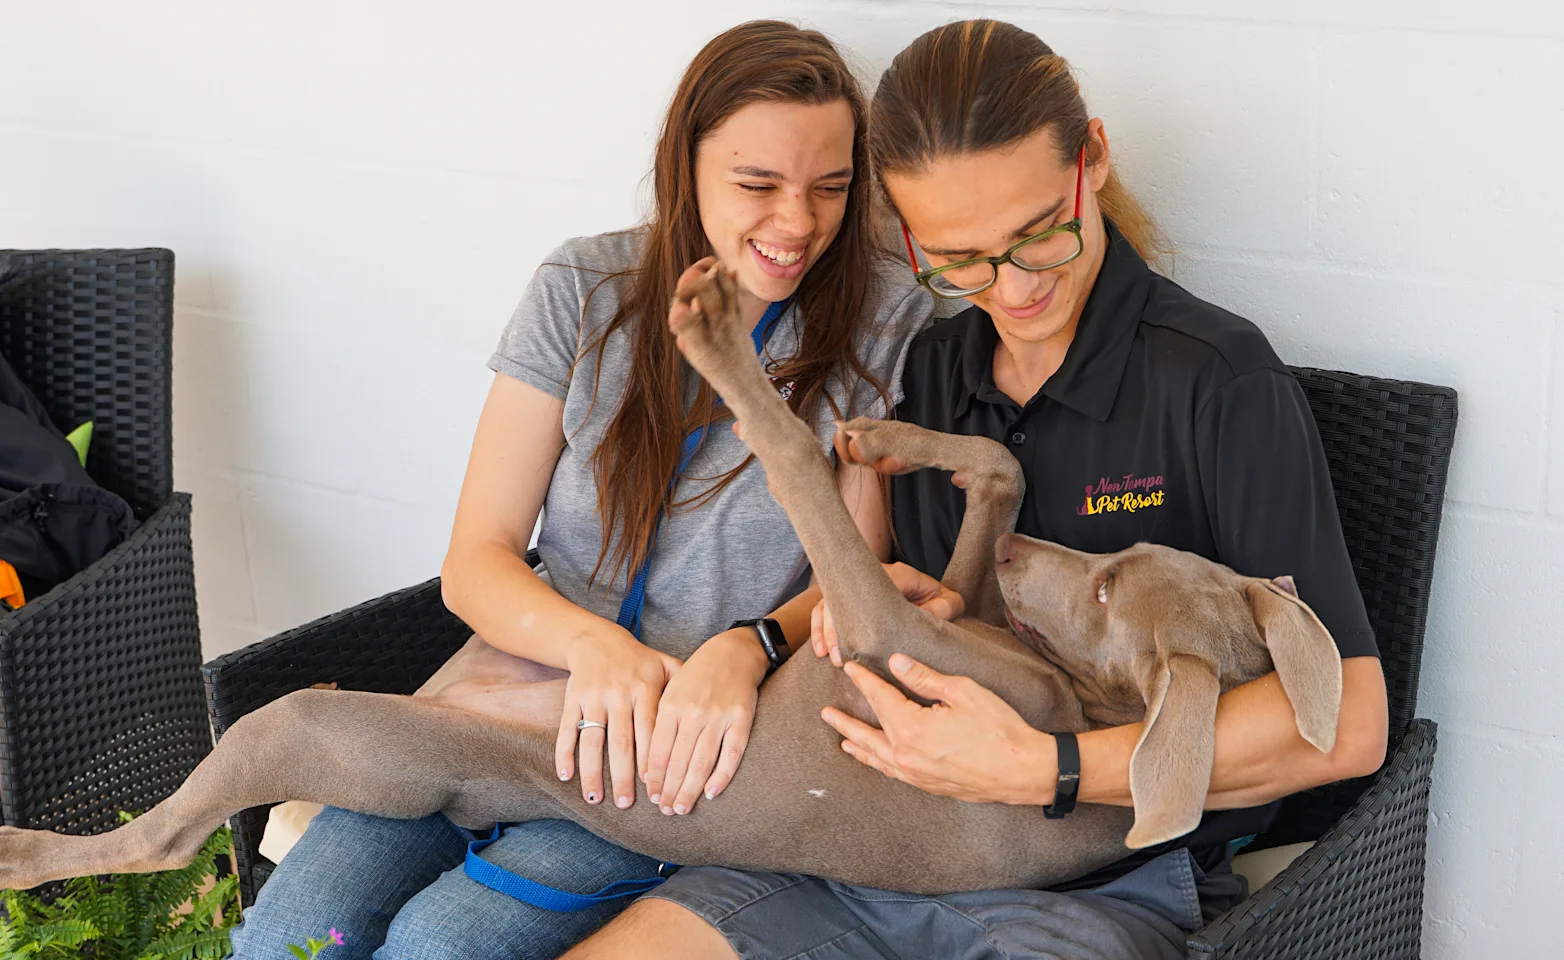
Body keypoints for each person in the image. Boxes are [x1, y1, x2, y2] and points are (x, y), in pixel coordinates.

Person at [566, 19, 1388, 960]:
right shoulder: (929, 369)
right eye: (957, 258)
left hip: (1103, 877)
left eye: (1038, 235)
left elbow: (1348, 726)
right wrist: (755, 643)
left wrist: (1043, 769)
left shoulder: (1215, 381)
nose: (1010, 288)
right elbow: (863, 579)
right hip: (858, 846)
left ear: (1094, 159)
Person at [227, 20, 935, 960]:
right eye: (757, 185)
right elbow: (474, 561)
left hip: (665, 758)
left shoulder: (891, 323)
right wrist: (592, 647)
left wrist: (752, 643)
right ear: (684, 164)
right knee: (288, 941)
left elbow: (862, 577)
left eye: (832, 187)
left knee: (440, 947)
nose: (798, 223)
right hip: (498, 704)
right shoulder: (583, 287)